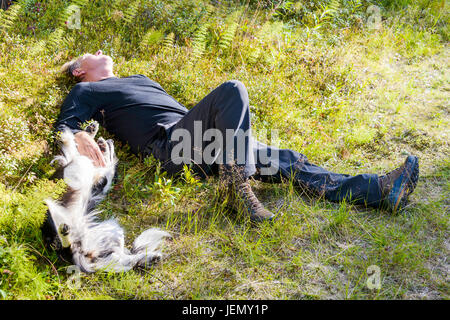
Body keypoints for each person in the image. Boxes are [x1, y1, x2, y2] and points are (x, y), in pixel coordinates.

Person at [55, 50, 419, 222]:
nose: (102, 51)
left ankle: (380, 191)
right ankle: (235, 184)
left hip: (204, 142)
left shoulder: (139, 80)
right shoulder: (87, 92)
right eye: (92, 53)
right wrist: (76, 136)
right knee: (232, 89)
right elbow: (65, 126)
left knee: (286, 161)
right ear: (79, 70)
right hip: (170, 148)